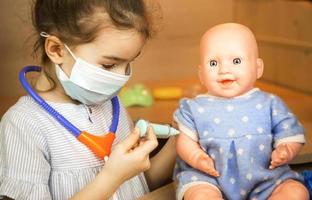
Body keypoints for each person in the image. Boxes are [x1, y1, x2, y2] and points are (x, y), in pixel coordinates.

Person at [0, 0, 176, 199]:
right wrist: (111, 178)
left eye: (129, 63)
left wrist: (178, 143)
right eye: (109, 65)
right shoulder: (24, 125)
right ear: (57, 49)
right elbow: (117, 181)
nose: (121, 77)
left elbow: (139, 187)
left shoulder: (112, 107)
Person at [174, 23, 309, 200]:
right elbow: (185, 141)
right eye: (213, 63)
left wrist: (286, 149)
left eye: (236, 61)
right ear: (201, 74)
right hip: (209, 178)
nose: (224, 70)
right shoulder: (194, 107)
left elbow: (291, 134)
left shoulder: (269, 103)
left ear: (258, 68)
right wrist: (196, 156)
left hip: (266, 179)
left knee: (296, 192)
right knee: (200, 195)